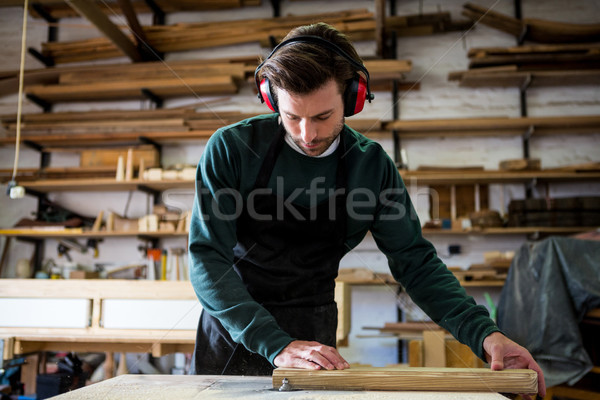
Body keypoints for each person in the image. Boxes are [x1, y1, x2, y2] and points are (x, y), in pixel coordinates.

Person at [188, 22, 546, 397]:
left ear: (354, 97)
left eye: (323, 117)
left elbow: (417, 264)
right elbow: (207, 259)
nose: (307, 134)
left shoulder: (370, 167)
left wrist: (486, 335)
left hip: (313, 334)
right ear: (271, 97)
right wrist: (275, 344)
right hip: (233, 335)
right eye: (292, 117)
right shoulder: (231, 148)